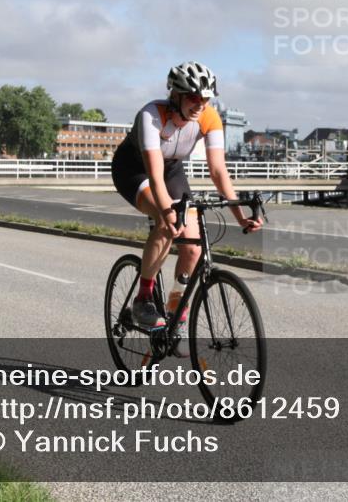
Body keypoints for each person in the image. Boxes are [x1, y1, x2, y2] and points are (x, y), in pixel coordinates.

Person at [111, 61, 263, 336]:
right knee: (165, 220)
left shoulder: (209, 117)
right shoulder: (151, 115)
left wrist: (241, 215)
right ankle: (143, 299)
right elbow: (155, 178)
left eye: (205, 98)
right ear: (176, 95)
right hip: (134, 170)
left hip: (171, 169)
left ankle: (175, 310)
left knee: (193, 248)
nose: (200, 104)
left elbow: (218, 171)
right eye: (193, 97)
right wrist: (168, 213)